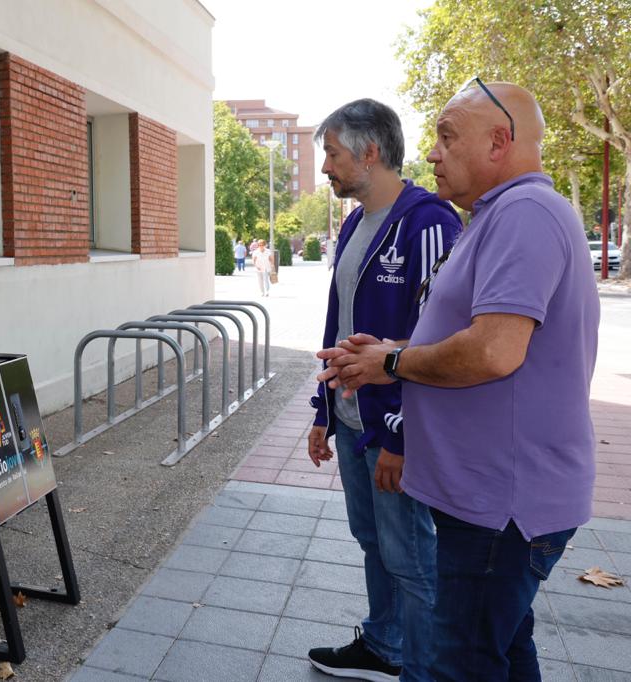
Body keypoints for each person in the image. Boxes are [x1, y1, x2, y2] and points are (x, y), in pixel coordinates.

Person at [318, 82, 599, 680]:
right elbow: (463, 333)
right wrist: (392, 351)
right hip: (491, 502)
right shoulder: (499, 215)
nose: (432, 152)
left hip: (501, 507)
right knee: (502, 653)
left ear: (499, 142)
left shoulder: (524, 214)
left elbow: (494, 350)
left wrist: (391, 365)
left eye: (447, 138)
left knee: (460, 663)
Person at [305, 99, 462, 682]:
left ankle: (425, 669)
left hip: (393, 428)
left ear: (370, 152)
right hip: (352, 420)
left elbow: (437, 342)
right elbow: (339, 324)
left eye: (332, 154)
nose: (326, 167)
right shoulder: (353, 224)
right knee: (373, 541)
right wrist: (323, 411)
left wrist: (402, 436)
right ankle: (383, 646)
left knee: (412, 559)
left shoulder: (429, 223)